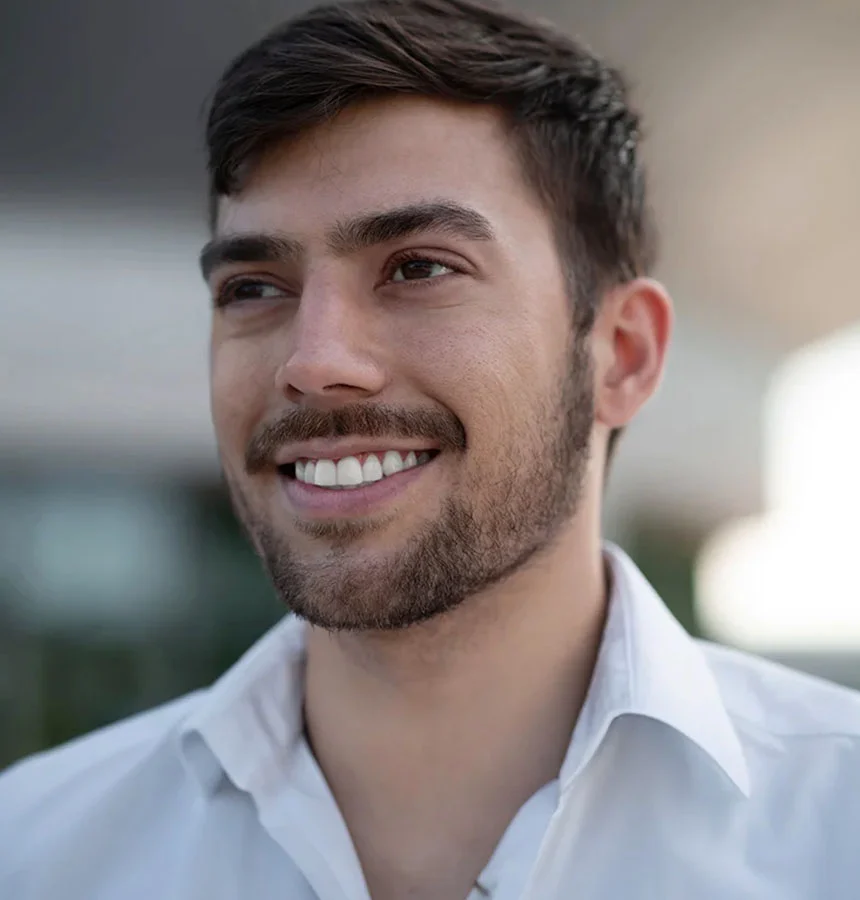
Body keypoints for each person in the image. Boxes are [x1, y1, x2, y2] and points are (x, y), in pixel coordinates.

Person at [3, 0, 860, 897]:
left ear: (624, 354)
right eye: (255, 287)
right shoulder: (36, 852)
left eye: (419, 268)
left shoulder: (836, 830)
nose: (315, 361)